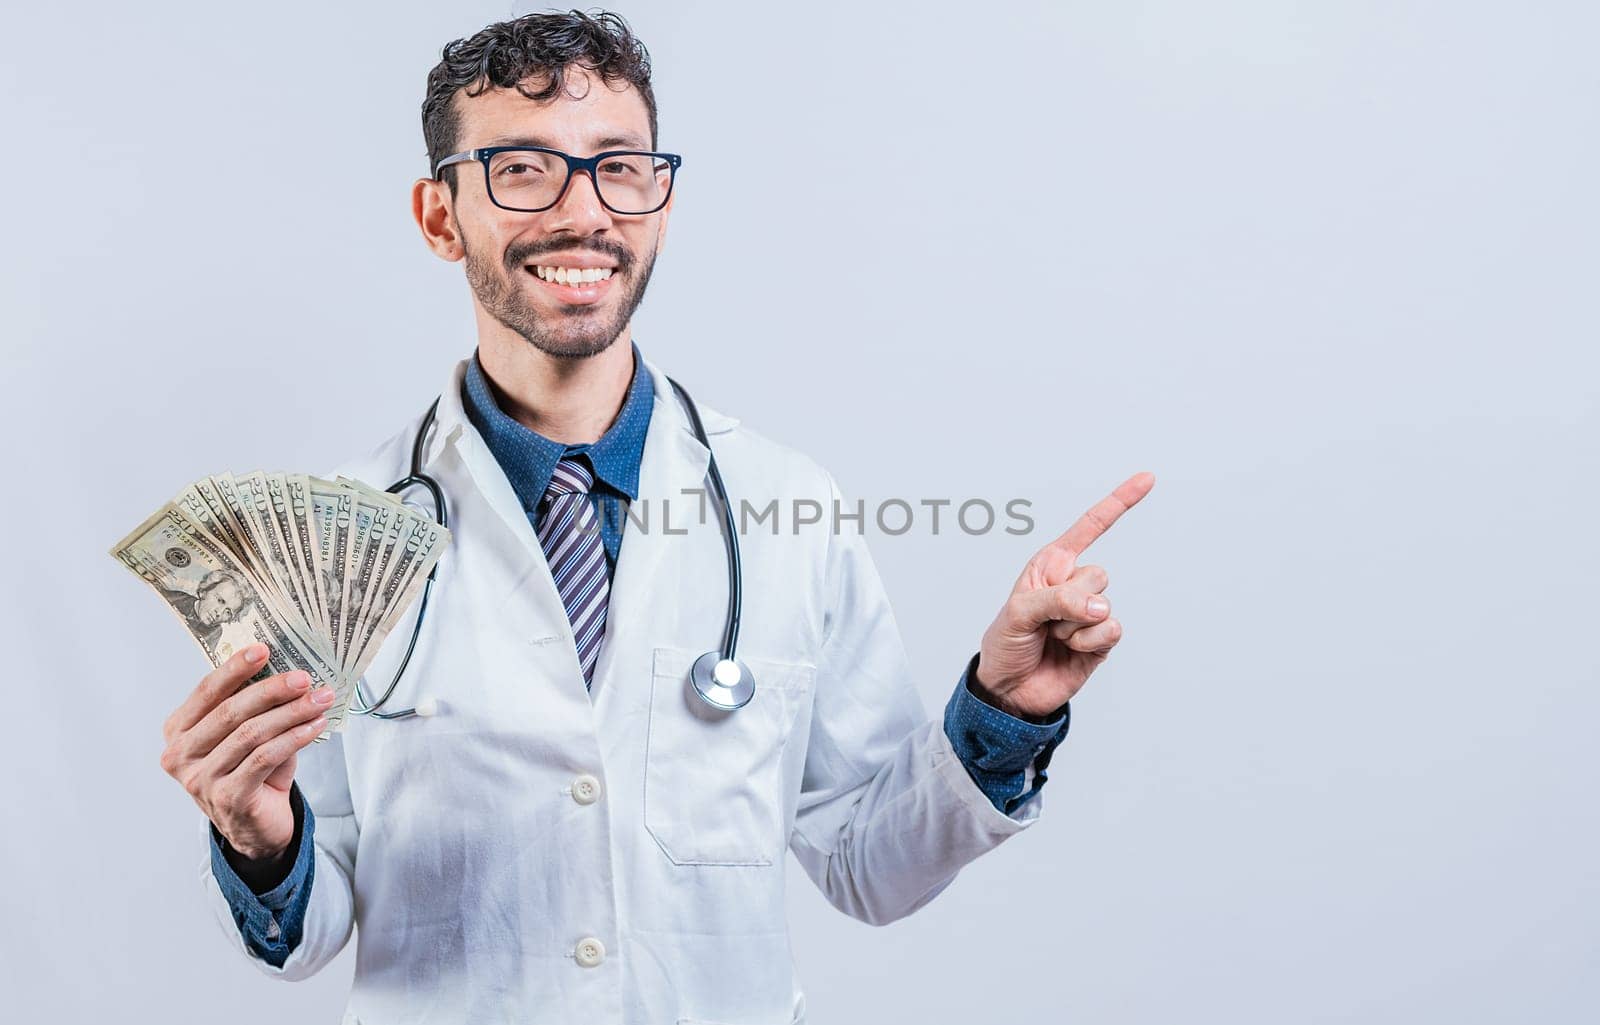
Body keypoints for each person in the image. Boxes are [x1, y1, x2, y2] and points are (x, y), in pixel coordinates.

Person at [155, 10, 1154, 1022]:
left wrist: (1005, 707)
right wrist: (256, 832)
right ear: (438, 216)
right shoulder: (330, 541)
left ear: (661, 201)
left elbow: (870, 864)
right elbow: (308, 928)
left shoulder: (785, 504)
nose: (582, 210)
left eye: (618, 166)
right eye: (520, 168)